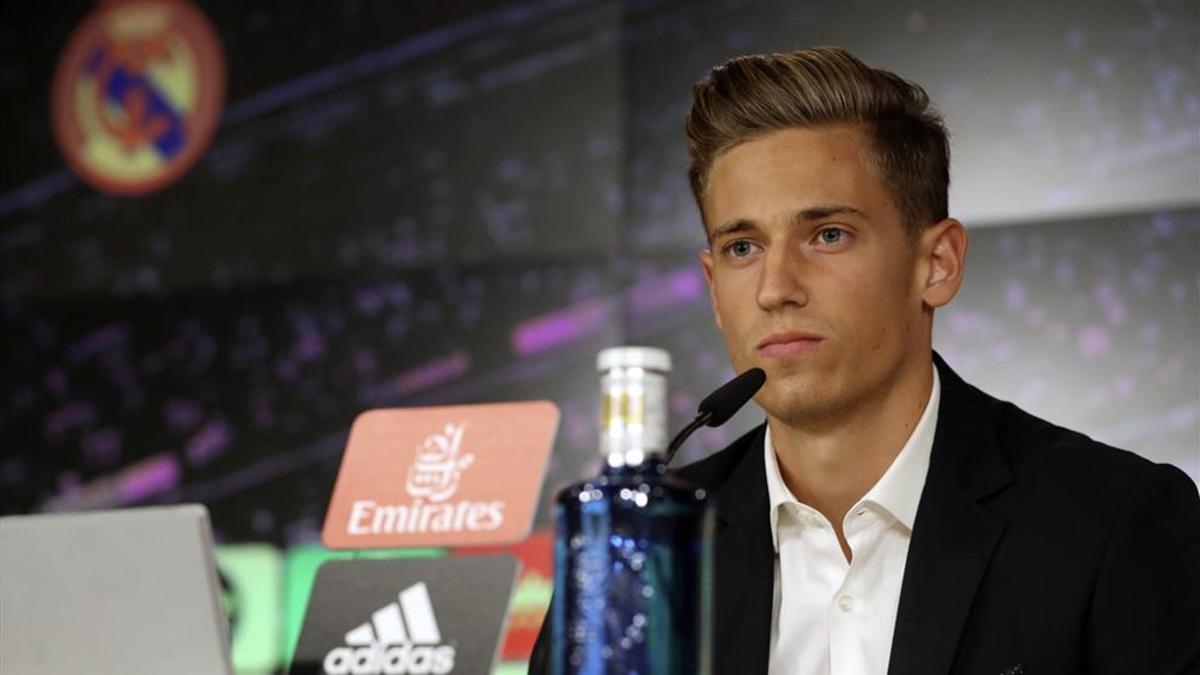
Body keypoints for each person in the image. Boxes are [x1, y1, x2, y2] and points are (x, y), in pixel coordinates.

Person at [531, 46, 1199, 675]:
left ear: (936, 264)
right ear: (712, 287)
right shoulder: (640, 551)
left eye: (828, 234)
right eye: (742, 247)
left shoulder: (1113, 524)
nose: (775, 287)